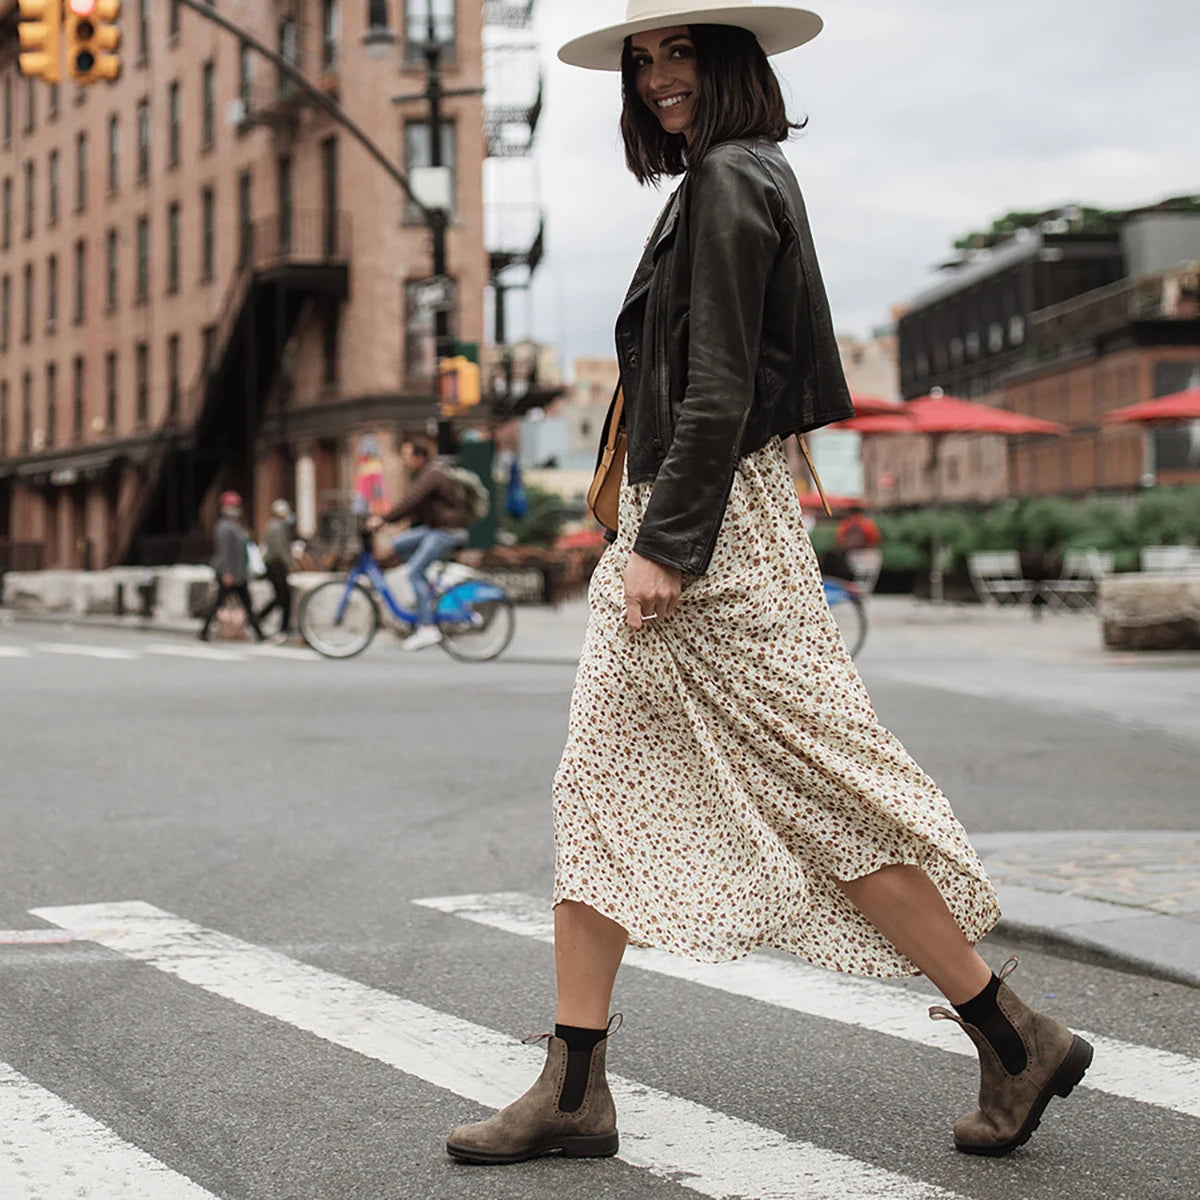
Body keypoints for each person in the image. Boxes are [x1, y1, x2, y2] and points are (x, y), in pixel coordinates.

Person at [446, 2, 1093, 1170]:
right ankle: (575, 1082)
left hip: (704, 535)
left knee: (820, 789)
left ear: (732, 59)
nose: (655, 79)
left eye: (678, 52)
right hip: (685, 521)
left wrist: (667, 546)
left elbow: (721, 385)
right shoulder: (720, 183)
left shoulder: (735, 180)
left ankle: (1012, 1031)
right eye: (642, 62)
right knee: (598, 784)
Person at [366, 439, 471, 652]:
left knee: (413, 572)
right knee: (400, 544)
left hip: (447, 531)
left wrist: (383, 519)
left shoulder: (431, 473)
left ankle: (427, 628)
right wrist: (394, 527)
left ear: (419, 457)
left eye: (407, 456)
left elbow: (410, 500)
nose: (404, 461)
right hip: (435, 528)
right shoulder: (424, 473)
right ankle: (430, 584)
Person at [198, 490, 265, 642]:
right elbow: (225, 551)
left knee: (244, 604)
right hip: (229, 573)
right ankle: (204, 631)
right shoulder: (224, 526)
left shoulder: (235, 526)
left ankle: (259, 632)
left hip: (238, 573)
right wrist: (227, 573)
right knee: (219, 603)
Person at [257, 499, 296, 643]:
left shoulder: (273, 525)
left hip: (273, 564)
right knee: (283, 595)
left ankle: (261, 618)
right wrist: (290, 563)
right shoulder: (278, 527)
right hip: (276, 565)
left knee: (281, 596)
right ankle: (279, 625)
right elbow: (280, 549)